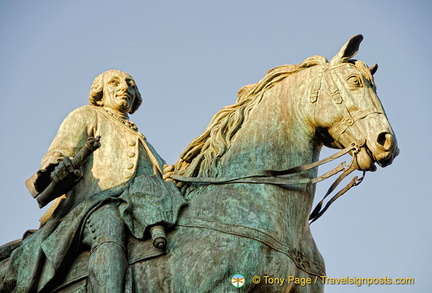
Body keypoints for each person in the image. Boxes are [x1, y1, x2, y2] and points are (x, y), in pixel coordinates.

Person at [0, 70, 187, 292]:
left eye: (131, 85)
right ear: (100, 93)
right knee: (109, 223)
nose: (125, 88)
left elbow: (164, 174)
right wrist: (58, 168)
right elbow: (59, 153)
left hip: (138, 208)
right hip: (91, 207)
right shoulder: (87, 115)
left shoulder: (142, 140)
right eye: (115, 83)